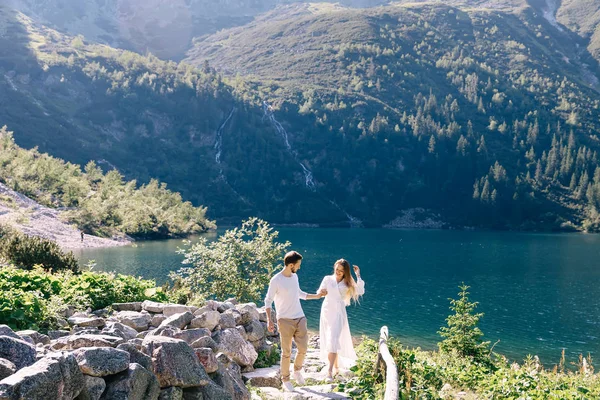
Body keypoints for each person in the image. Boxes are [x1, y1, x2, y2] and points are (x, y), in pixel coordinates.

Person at [264, 251, 327, 392]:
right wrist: (270, 320)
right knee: (286, 352)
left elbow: (299, 294)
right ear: (291, 265)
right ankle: (285, 379)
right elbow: (268, 301)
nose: (299, 267)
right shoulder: (276, 280)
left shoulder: (295, 277)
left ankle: (297, 370)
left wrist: (317, 296)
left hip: (300, 317)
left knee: (303, 348)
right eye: (298, 265)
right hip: (284, 320)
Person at [318, 259, 365, 382]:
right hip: (327, 310)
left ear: (345, 272)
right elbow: (320, 291)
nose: (338, 272)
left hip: (339, 311)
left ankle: (329, 371)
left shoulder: (348, 282)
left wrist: (358, 275)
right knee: (331, 338)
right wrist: (321, 292)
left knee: (333, 338)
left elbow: (360, 291)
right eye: (337, 270)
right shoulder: (327, 279)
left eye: (341, 271)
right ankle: (336, 367)